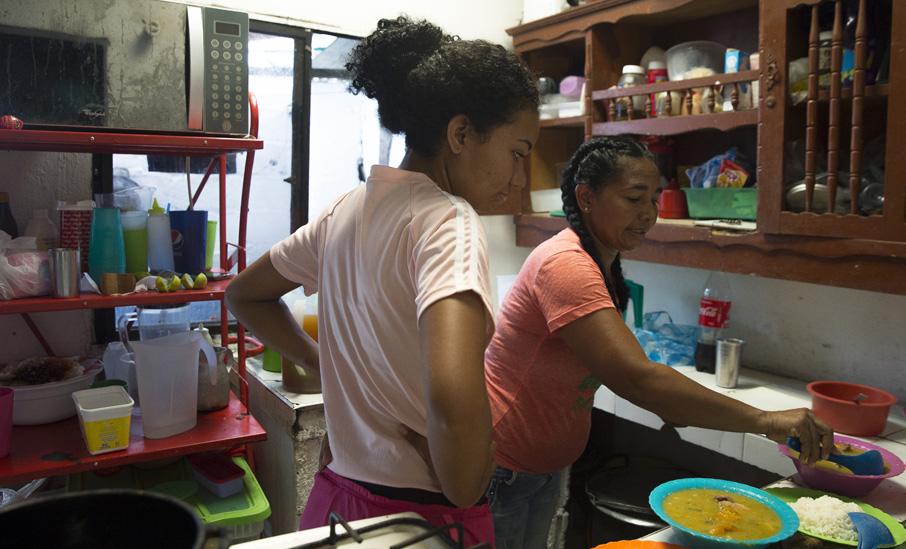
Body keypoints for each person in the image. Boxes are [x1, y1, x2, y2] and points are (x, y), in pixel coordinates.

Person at [225, 16, 539, 544]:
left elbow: (244, 295)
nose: (518, 178)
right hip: (419, 523)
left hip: (338, 503)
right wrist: (470, 481)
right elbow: (449, 394)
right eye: (517, 153)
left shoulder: (344, 211)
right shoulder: (449, 221)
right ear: (461, 134)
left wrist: (315, 360)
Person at [484, 137, 834, 548]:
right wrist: (769, 421)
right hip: (507, 465)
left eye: (654, 198)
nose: (648, 214)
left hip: (544, 462)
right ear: (586, 197)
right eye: (634, 198)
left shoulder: (598, 260)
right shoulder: (565, 265)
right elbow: (642, 382)